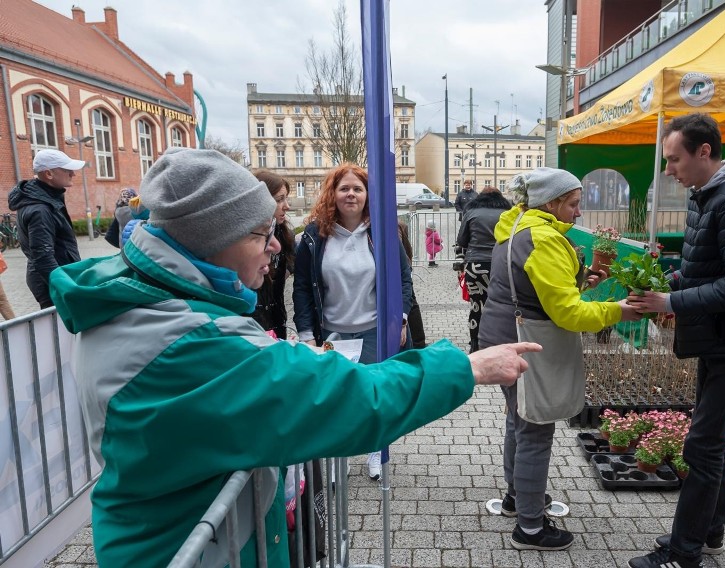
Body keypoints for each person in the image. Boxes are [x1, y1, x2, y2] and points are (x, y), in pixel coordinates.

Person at [48, 147, 540, 568]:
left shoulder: (142, 299)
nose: (276, 245)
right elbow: (346, 398)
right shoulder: (190, 343)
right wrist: (467, 367)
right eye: (262, 233)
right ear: (213, 240)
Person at [626, 113, 725, 568]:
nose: (669, 170)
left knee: (702, 445)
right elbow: (704, 269)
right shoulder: (708, 194)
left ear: (704, 152)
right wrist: (664, 283)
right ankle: (708, 531)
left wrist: (671, 303)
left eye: (674, 160)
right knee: (712, 440)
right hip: (720, 337)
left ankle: (684, 552)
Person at [478, 167, 640, 552]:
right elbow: (568, 314)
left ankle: (518, 499)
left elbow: (536, 287)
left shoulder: (514, 227)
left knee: (519, 420)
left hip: (501, 338)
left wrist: (582, 282)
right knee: (536, 428)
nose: (578, 212)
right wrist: (617, 310)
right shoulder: (545, 239)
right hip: (527, 342)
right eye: (573, 203)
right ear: (550, 203)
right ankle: (530, 528)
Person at [293, 162, 414, 481]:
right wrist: (306, 333)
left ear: (368, 195)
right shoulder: (314, 234)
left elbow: (403, 278)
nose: (350, 194)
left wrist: (400, 318)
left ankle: (376, 450)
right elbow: (302, 286)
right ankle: (340, 455)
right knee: (337, 398)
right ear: (332, 193)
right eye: (344, 188)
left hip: (374, 330)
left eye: (357, 189)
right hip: (332, 331)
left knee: (373, 396)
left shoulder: (384, 231)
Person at [8, 149, 84, 308]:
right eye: (67, 170)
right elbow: (43, 256)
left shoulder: (45, 198)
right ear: (49, 174)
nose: (73, 174)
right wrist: (67, 288)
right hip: (52, 283)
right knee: (59, 330)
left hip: (56, 276)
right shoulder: (40, 209)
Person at [455, 185, 511, 352]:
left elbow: (462, 241)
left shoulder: (471, 213)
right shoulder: (508, 214)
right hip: (502, 264)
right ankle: (501, 344)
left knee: (477, 305)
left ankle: (475, 345)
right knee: (502, 305)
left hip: (476, 265)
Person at [249, 170, 296, 339]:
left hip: (277, 321)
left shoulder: (285, 235)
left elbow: (292, 259)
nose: (287, 206)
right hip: (254, 327)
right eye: (279, 200)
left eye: (286, 198)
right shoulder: (245, 241)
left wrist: (285, 271)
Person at [398, 220, 427, 348]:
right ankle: (419, 343)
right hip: (404, 267)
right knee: (411, 302)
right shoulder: (399, 224)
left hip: (400, 270)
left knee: (410, 301)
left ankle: (418, 343)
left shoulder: (395, 226)